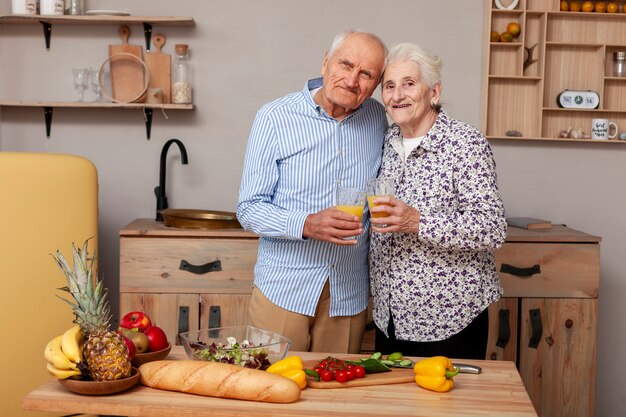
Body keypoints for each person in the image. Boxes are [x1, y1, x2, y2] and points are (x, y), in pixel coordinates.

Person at [236, 30, 388, 354]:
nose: (352, 80)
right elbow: (248, 208)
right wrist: (306, 224)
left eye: (366, 74)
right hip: (284, 288)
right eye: (345, 64)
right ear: (325, 62)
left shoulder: (378, 119)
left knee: (335, 397)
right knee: (270, 388)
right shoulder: (274, 117)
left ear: (376, 85)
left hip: (347, 293)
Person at [368, 42, 507, 360]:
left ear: (434, 92)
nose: (397, 95)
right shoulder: (388, 140)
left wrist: (417, 221)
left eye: (409, 83)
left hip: (449, 320)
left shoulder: (464, 143)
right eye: (389, 86)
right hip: (389, 316)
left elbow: (492, 227)